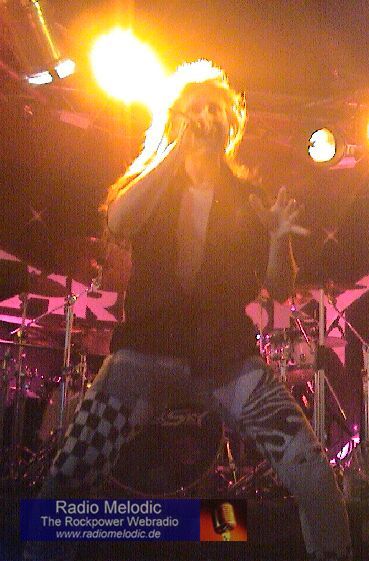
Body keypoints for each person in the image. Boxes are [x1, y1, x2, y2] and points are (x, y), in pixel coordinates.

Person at [25, 60, 350, 561]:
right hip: (147, 351)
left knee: (310, 469)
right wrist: (177, 148)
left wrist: (277, 240)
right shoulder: (155, 182)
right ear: (176, 119)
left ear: (231, 123)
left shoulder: (247, 197)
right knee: (70, 475)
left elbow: (280, 288)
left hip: (225, 357)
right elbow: (120, 221)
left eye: (216, 109)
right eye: (196, 109)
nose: (207, 117)